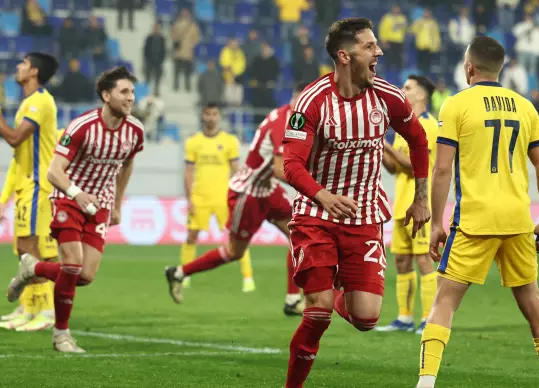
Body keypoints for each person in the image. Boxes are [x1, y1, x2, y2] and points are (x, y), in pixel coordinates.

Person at [282, 18, 431, 387]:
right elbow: (291, 165)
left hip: (364, 217)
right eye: (369, 46)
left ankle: (333, 291)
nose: (378, 52)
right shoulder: (311, 102)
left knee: (366, 319)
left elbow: (418, 141)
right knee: (316, 313)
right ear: (345, 56)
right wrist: (323, 195)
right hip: (316, 214)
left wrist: (421, 199)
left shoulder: (389, 97)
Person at [416, 36, 539, 388]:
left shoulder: (456, 105)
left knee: (445, 300)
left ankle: (426, 382)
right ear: (500, 68)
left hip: (474, 220)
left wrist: (437, 224)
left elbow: (441, 170)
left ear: (469, 67)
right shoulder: (525, 106)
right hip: (517, 220)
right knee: (532, 302)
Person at [7, 66, 145, 353]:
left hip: (100, 205)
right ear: (106, 96)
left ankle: (32, 268)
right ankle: (61, 336)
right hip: (67, 197)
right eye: (124, 92)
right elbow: (54, 171)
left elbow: (128, 162)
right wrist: (77, 193)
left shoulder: (135, 130)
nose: (130, 98)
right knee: (71, 264)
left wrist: (117, 203)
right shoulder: (82, 127)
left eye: (132, 92)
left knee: (85, 276)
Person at [165, 83, 310, 316]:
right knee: (235, 252)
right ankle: (179, 272)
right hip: (248, 193)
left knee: (300, 234)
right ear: (299, 98)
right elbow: (279, 168)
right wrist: (316, 189)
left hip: (267, 190)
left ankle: (293, 300)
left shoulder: (295, 118)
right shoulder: (284, 122)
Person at [0, 53, 60, 332]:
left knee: (33, 249)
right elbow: (17, 152)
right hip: (26, 185)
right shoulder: (27, 102)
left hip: (39, 185)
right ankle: (29, 307)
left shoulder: (40, 101)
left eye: (23, 63)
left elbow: (15, 138)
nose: (18, 66)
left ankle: (46, 310)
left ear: (34, 71)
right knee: (23, 249)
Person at [377, 75, 439, 335]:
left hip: (421, 205)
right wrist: (379, 145)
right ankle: (404, 317)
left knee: (424, 260)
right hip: (402, 204)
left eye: (407, 88)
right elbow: (393, 168)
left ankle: (429, 318)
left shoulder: (429, 126)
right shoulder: (406, 126)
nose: (402, 90)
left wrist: (388, 147)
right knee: (402, 260)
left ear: (421, 95)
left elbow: (416, 166)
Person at [178, 103, 256, 292]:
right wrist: (189, 200)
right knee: (191, 236)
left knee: (237, 238)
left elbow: (236, 171)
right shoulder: (193, 142)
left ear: (219, 117)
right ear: (203, 116)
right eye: (208, 114)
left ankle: (248, 278)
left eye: (214, 114)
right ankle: (184, 275)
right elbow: (188, 172)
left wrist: (237, 196)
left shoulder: (229, 141)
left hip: (224, 198)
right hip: (200, 198)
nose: (211, 117)